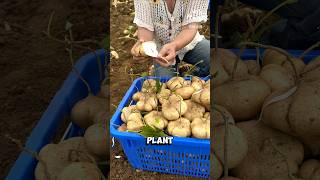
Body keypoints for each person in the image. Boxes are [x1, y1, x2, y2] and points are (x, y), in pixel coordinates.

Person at [131, 0, 210, 77]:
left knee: (217, 61)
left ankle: (191, 75)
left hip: (189, 42)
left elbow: (190, 27)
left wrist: (175, 45)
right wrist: (143, 47)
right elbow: (145, 28)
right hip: (161, 52)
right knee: (166, 84)